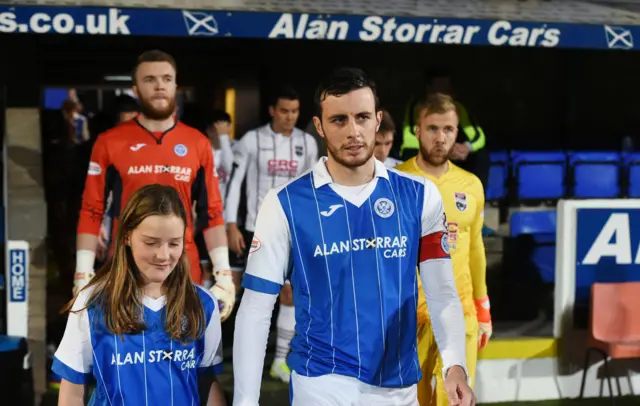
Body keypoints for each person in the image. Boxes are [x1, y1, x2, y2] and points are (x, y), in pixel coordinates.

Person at [232, 68, 475, 406]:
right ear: (319, 126)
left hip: (397, 387)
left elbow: (441, 291)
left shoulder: (420, 196)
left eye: (362, 117)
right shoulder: (284, 203)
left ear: (377, 120)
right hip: (320, 383)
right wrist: (245, 400)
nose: (353, 131)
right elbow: (257, 307)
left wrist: (455, 364)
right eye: (339, 120)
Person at [74, 51, 235, 319]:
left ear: (175, 86)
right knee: (126, 357)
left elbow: (212, 213)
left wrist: (224, 274)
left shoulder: (197, 143)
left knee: (182, 358)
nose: (159, 85)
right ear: (136, 89)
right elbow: (91, 211)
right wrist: (82, 274)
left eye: (166, 78)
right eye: (150, 79)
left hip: (183, 273)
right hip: (126, 273)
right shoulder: (109, 142)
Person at [53, 184, 224, 406]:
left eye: (174, 243)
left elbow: (207, 381)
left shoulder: (202, 303)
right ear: (126, 237)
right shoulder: (92, 302)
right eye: (151, 243)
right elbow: (73, 389)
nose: (163, 255)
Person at [396, 93, 492, 406]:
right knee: (416, 399)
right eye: (433, 129)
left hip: (460, 313)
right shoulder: (396, 182)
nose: (441, 138)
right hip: (411, 315)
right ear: (417, 131)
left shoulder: (471, 185)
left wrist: (482, 307)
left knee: (457, 399)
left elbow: (475, 247)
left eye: (449, 130)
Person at [224, 85, 318, 383]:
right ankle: (238, 358)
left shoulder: (307, 142)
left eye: (294, 112)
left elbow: (311, 187)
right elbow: (235, 183)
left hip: (294, 230)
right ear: (272, 111)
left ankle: (280, 361)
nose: (289, 117)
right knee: (251, 295)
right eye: (284, 111)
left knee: (290, 294)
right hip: (256, 227)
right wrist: (230, 224)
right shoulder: (252, 140)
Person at [196, 109, 235, 288]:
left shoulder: (233, 148)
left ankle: (222, 313)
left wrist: (225, 138)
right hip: (204, 216)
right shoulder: (203, 151)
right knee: (205, 269)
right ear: (209, 130)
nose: (220, 133)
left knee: (226, 273)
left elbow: (228, 168)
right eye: (217, 129)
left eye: (225, 129)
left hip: (227, 218)